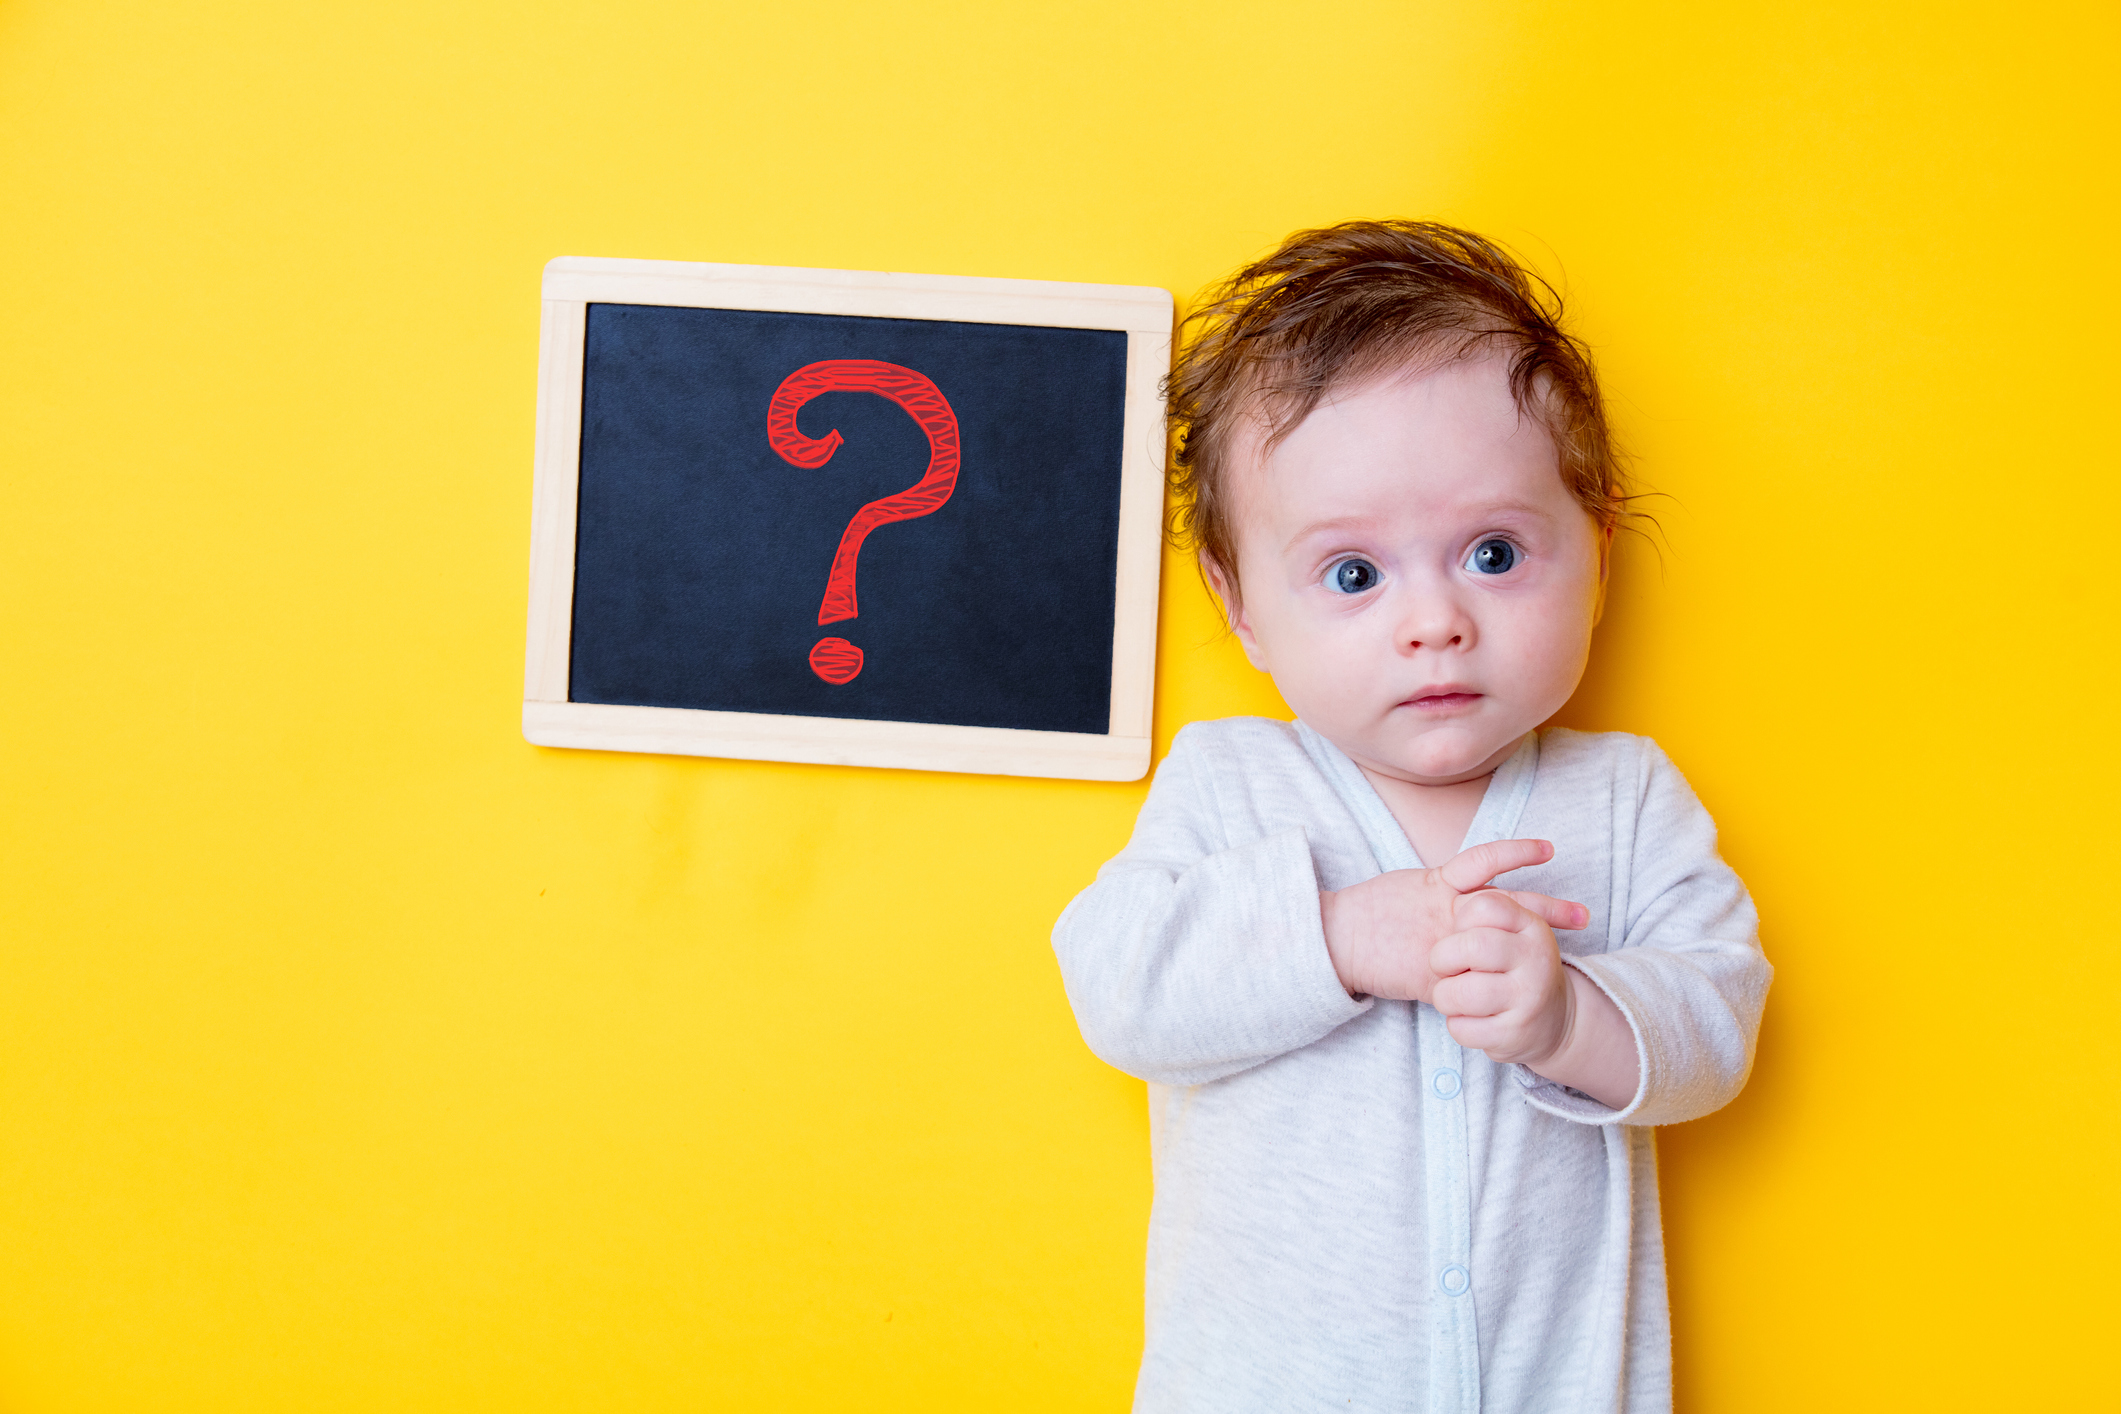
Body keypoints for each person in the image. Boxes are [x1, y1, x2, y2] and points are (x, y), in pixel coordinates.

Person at [1051, 220, 1771, 1414]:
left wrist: (1569, 1016)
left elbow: (1718, 1021)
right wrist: (1337, 936)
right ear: (1240, 609)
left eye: (1493, 552)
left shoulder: (1627, 797)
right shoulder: (1230, 782)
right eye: (1353, 575)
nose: (1433, 619)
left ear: (1594, 549)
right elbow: (1115, 985)